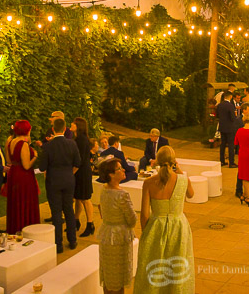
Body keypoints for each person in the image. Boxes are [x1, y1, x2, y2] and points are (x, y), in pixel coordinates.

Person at [134, 146, 195, 293]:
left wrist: (145, 233)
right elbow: (191, 194)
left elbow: (144, 214)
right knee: (178, 265)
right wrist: (178, 170)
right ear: (174, 161)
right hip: (179, 227)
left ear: (157, 162)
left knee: (155, 266)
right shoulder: (182, 180)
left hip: (156, 227)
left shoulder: (149, 183)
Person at [39, 117, 82, 253]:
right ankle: (72, 240)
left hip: (53, 181)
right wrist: (70, 173)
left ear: (53, 129)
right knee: (69, 209)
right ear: (65, 129)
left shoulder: (48, 146)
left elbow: (42, 167)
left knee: (56, 212)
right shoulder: (72, 144)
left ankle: (58, 244)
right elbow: (78, 163)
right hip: (68, 180)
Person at [97, 157, 137, 294]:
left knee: (109, 274)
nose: (123, 169)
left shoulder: (104, 190)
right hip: (119, 237)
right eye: (119, 168)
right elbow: (132, 220)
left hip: (106, 235)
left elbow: (102, 210)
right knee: (119, 276)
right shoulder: (122, 195)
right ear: (111, 175)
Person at [5, 120, 40, 234]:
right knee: (25, 201)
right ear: (27, 130)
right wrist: (35, 156)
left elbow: (9, 161)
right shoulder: (23, 144)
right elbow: (26, 165)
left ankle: (15, 227)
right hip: (23, 177)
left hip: (14, 174)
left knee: (16, 202)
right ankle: (26, 227)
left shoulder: (11, 142)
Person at [72, 117, 95, 237]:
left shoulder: (81, 140)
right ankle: (76, 221)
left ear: (78, 126)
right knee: (78, 197)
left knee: (85, 198)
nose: (71, 124)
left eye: (73, 124)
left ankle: (90, 224)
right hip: (80, 171)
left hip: (82, 172)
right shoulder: (77, 138)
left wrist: (72, 172)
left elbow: (79, 160)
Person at [216, 91, 237, 167]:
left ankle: (222, 161)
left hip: (222, 127)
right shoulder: (230, 106)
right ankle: (231, 162)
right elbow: (233, 118)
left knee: (223, 144)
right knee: (231, 145)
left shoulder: (219, 105)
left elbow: (217, 115)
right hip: (230, 128)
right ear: (230, 97)